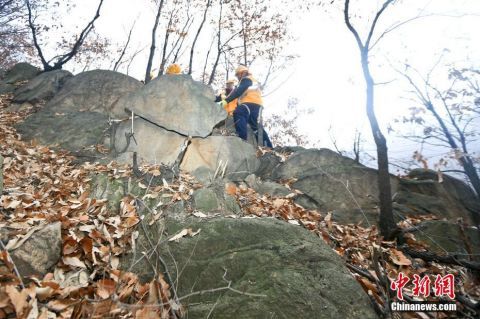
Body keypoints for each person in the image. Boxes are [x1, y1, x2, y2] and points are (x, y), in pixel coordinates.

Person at [220, 65, 273, 148]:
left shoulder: (247, 79)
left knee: (239, 112)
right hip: (256, 104)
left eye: (238, 75)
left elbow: (238, 91)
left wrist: (226, 101)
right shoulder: (251, 80)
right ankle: (268, 146)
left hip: (251, 102)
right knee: (255, 127)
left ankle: (241, 137)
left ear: (243, 73)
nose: (237, 77)